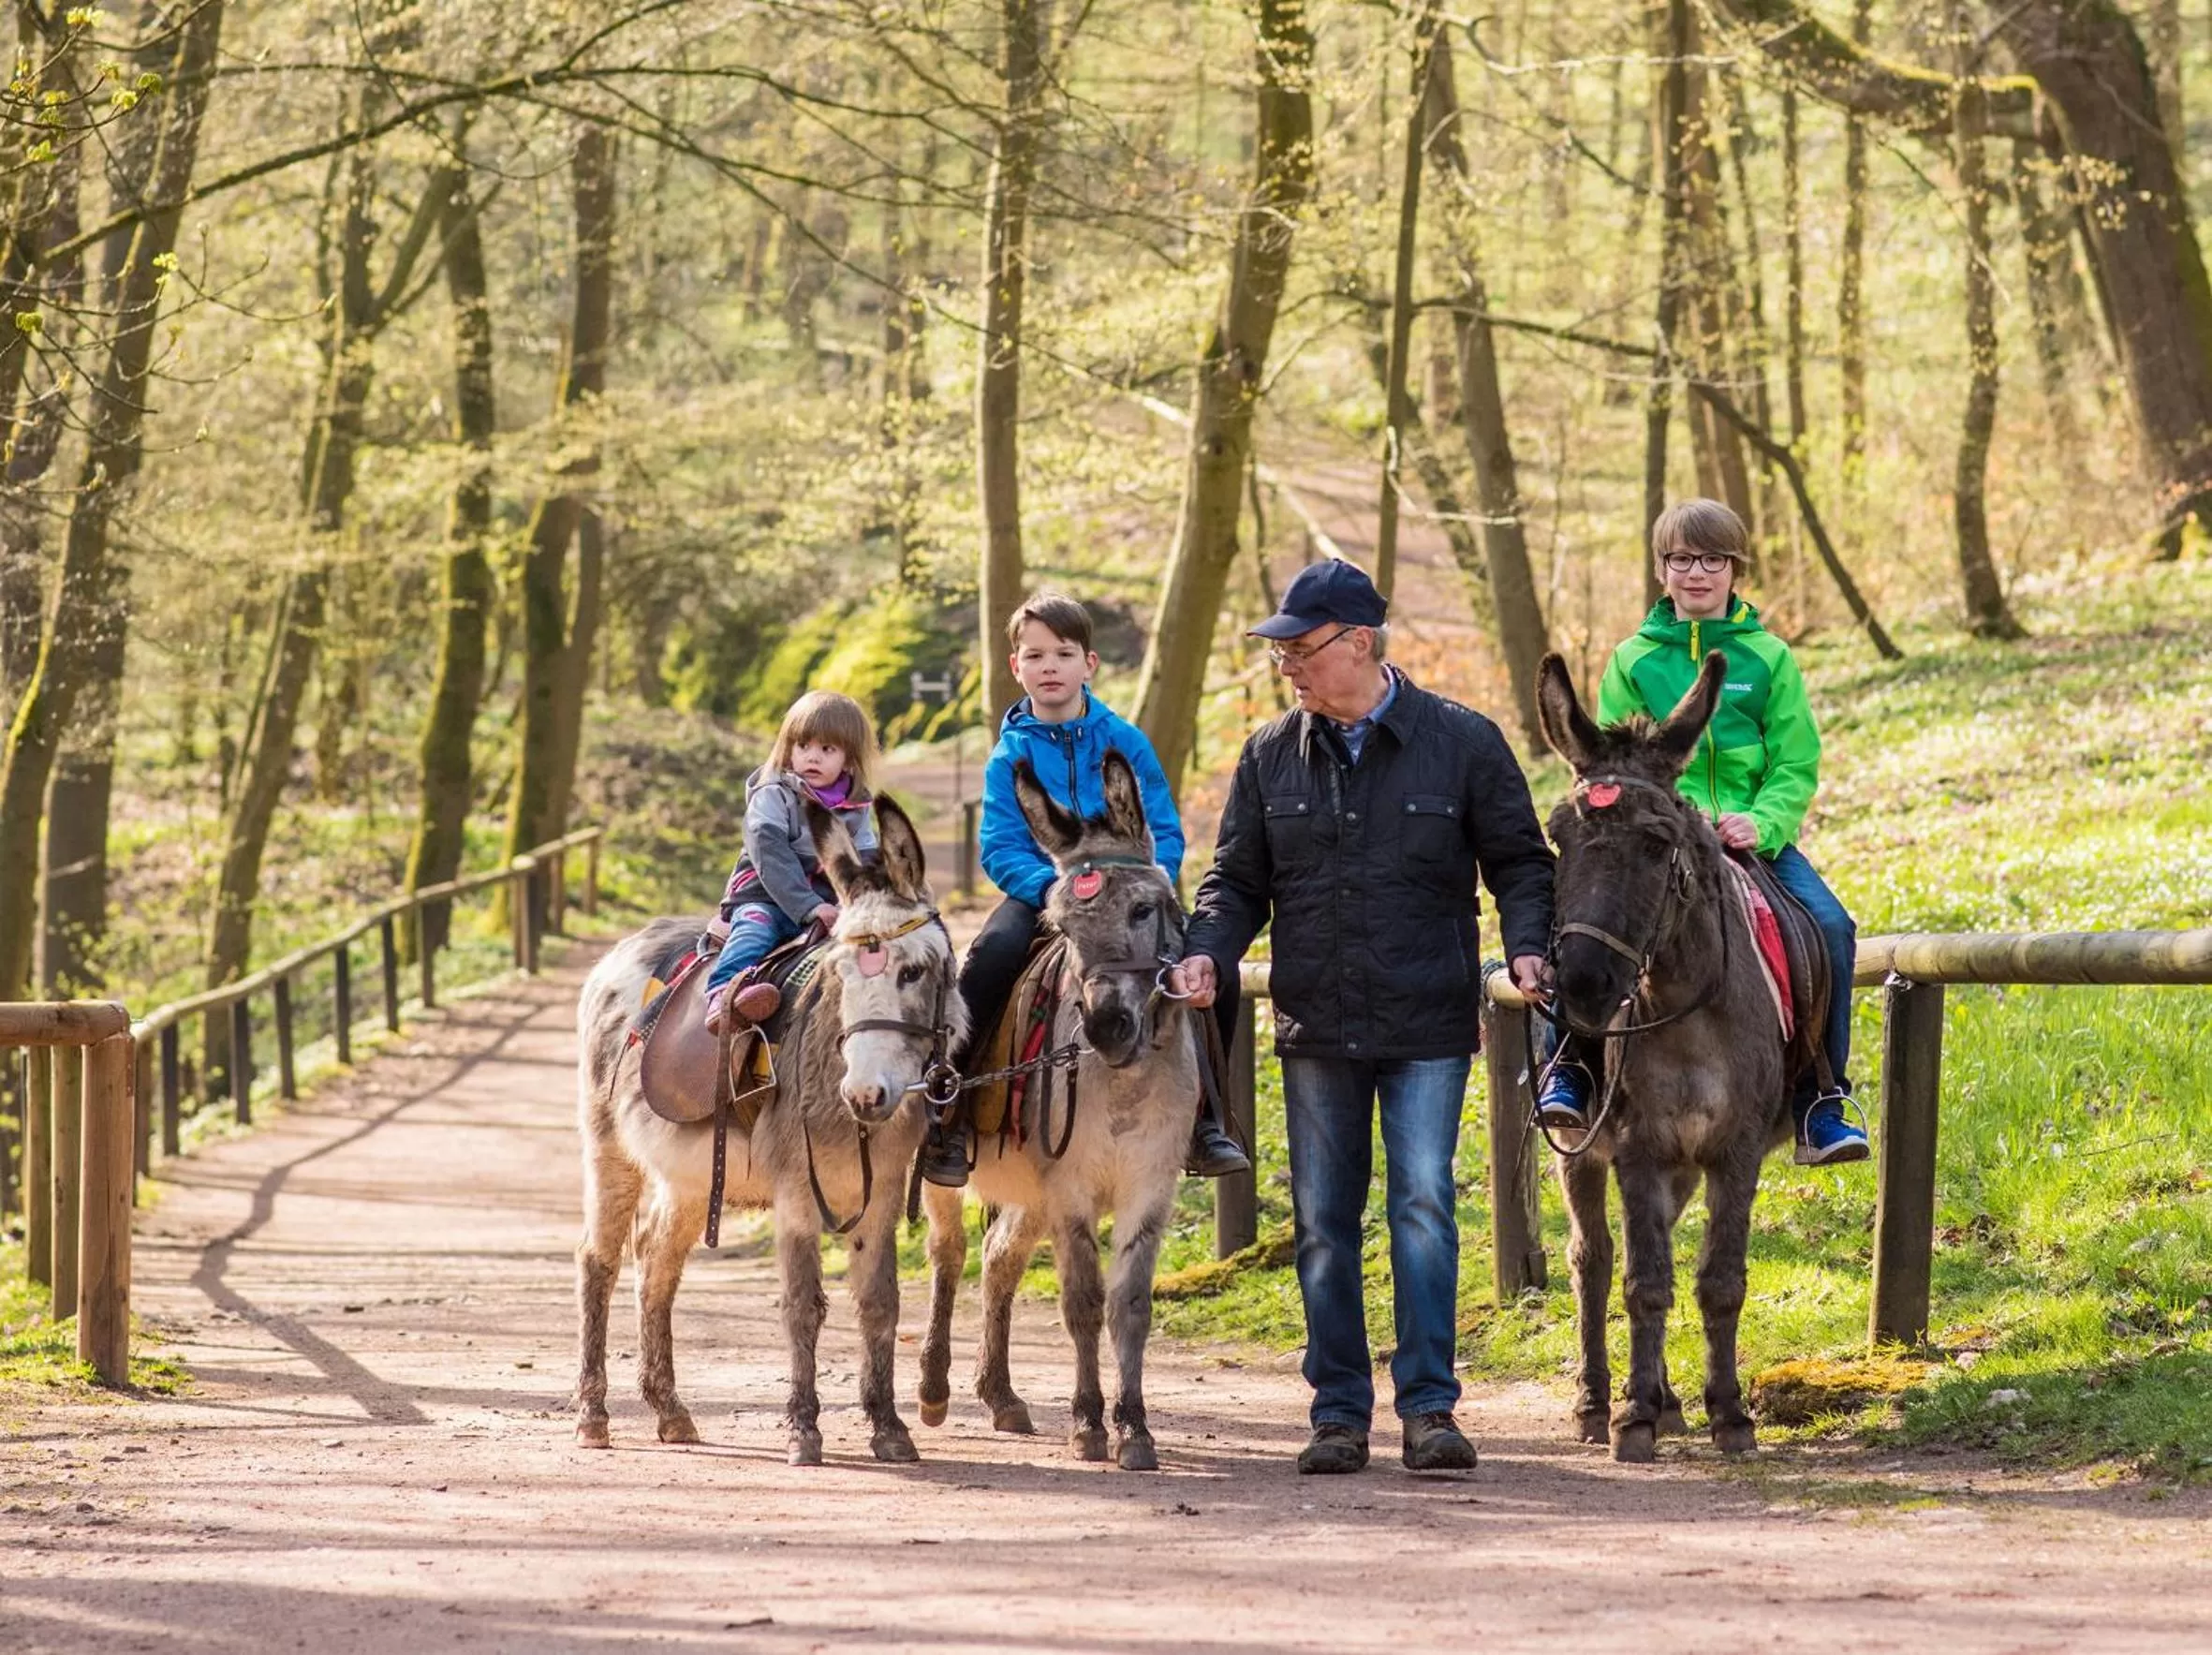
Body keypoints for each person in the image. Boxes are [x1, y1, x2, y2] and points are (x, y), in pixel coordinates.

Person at [1171, 558, 1555, 1476]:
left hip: (1426, 1019)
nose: (1288, 668)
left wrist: (1531, 941)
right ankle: (1336, 1415)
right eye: (1281, 654)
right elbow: (1235, 883)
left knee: (1423, 1206)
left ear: (1361, 644)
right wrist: (1204, 952)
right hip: (1315, 1021)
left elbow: (1520, 861)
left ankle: (1429, 1411)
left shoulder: (1461, 741)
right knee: (1320, 1222)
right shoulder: (1268, 756)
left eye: (1302, 649)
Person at [1535, 497, 1867, 1166]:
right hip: (1655, 841)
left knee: (1831, 927)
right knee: (1585, 924)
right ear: (1662, 570)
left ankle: (1819, 1096)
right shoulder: (1633, 659)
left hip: (1748, 836)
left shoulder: (1768, 658)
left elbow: (1795, 760)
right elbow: (1617, 763)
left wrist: (1763, 821)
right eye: (1682, 559)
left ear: (1734, 569)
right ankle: (1568, 1062)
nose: (1696, 573)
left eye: (1712, 559)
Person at [922, 591, 1250, 1187]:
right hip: (1048, 896)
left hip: (1129, 895)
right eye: (1035, 655)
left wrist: (1138, 882)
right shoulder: (1009, 756)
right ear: (1015, 667)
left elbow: (1164, 828)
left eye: (1063, 654)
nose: (1050, 667)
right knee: (991, 959)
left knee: (1202, 967)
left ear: (1089, 664)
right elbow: (1000, 843)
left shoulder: (1126, 740)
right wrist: (1056, 891)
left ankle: (1207, 1117)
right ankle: (950, 1117)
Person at [701, 690, 878, 1031]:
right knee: (754, 931)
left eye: (827, 749)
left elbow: (865, 860)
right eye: (803, 746)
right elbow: (771, 856)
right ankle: (724, 993)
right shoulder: (772, 794)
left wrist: (864, 904)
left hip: (825, 904)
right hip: (764, 896)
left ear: (849, 759)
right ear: (788, 748)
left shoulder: (856, 807)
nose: (813, 757)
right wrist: (810, 906)